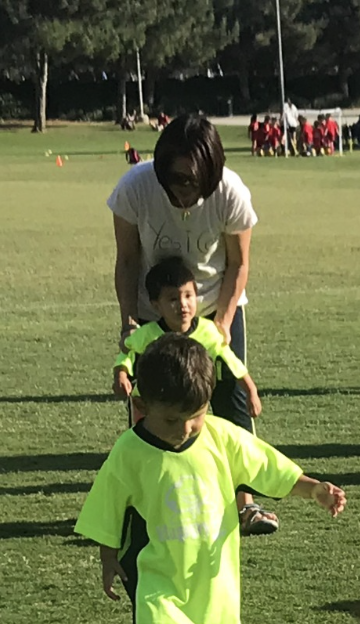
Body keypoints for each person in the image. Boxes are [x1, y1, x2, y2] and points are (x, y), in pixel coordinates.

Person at [76, 337, 344, 624]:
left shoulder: (222, 437)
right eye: (171, 420)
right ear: (142, 406)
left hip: (213, 571)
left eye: (196, 417)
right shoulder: (129, 451)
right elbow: (108, 504)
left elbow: (268, 467)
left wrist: (313, 489)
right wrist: (108, 557)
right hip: (157, 566)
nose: (184, 429)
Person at [110, 113, 276, 533]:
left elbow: (239, 264)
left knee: (230, 405)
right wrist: (129, 320)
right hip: (154, 313)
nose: (183, 191)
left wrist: (223, 321)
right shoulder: (135, 188)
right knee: (152, 409)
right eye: (175, 180)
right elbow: (127, 260)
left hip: (215, 309)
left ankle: (245, 504)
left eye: (192, 181)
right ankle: (143, 509)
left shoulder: (231, 193)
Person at [112, 256, 261, 424]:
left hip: (191, 407)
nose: (182, 304)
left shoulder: (208, 331)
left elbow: (232, 362)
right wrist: (121, 374)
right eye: (173, 299)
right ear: (156, 305)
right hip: (152, 407)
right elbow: (127, 352)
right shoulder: (147, 334)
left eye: (188, 296)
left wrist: (251, 391)